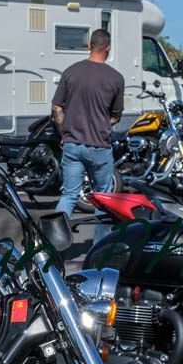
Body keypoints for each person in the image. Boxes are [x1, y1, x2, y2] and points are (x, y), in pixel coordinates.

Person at [52, 28, 125, 220]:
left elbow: (56, 108)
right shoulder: (116, 78)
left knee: (69, 195)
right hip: (100, 146)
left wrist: (63, 134)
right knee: (103, 197)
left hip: (72, 144)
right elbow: (116, 115)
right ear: (108, 48)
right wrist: (103, 121)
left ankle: (53, 242)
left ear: (89, 45)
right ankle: (100, 246)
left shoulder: (71, 72)